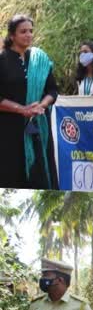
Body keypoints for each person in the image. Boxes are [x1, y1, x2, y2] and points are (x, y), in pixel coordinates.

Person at [0, 14, 59, 190]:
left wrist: (41, 105)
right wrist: (22, 109)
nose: (28, 35)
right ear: (12, 35)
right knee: (11, 175)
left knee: (39, 174)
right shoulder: (2, 60)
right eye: (23, 31)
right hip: (9, 131)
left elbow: (52, 90)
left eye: (31, 31)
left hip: (37, 128)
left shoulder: (39, 60)